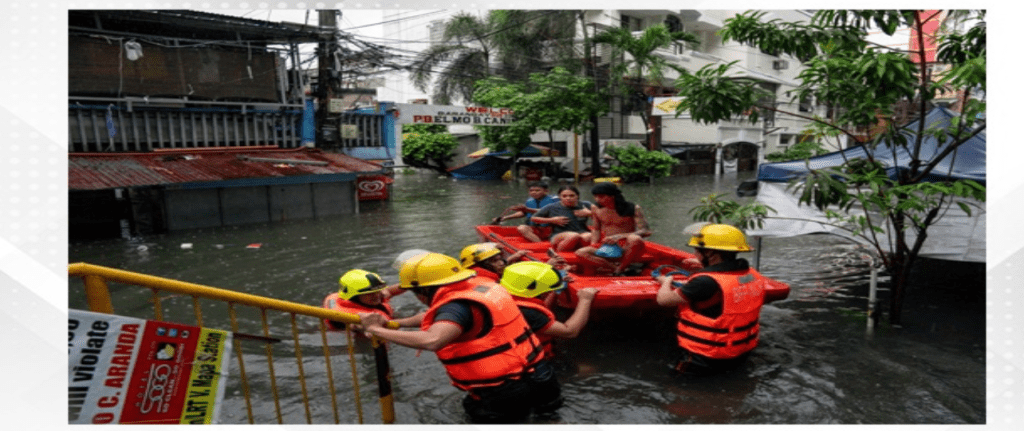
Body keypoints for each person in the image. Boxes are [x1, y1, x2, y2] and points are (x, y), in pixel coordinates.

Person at [358, 252, 558, 423]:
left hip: (503, 391)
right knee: (548, 418)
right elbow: (437, 318)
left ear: (425, 289)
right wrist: (398, 323)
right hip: (541, 375)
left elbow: (433, 339)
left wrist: (376, 329)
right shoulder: (482, 286)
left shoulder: (456, 306)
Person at [654, 223, 771, 377]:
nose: (695, 254)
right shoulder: (752, 275)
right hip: (740, 352)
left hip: (703, 357)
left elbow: (663, 300)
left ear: (709, 252)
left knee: (680, 393)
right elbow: (723, 282)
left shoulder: (704, 282)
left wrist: (666, 281)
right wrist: (704, 267)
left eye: (697, 250)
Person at [499, 261, 598, 359]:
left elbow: (539, 313)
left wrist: (554, 288)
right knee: (588, 369)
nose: (548, 291)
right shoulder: (527, 312)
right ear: (530, 288)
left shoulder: (505, 296)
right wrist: (585, 299)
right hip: (532, 362)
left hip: (516, 353)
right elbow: (570, 332)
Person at [575, 182, 651, 275]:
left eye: (602, 196)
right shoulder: (595, 208)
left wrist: (618, 236)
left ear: (613, 196)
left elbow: (646, 231)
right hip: (607, 245)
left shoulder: (633, 208)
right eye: (596, 196)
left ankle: (622, 267)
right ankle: (618, 269)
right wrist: (593, 244)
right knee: (580, 252)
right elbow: (596, 229)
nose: (598, 199)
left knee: (635, 238)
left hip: (627, 246)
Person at [324, 269, 394, 331]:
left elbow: (387, 292)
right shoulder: (349, 318)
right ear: (354, 297)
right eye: (369, 293)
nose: (377, 295)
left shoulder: (363, 300)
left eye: (378, 291)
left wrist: (403, 286)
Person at [530, 185, 593, 252]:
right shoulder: (552, 207)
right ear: (560, 197)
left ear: (577, 196)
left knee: (589, 236)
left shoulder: (586, 205)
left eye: (572, 196)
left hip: (582, 232)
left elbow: (603, 215)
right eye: (564, 196)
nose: (568, 198)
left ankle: (580, 253)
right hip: (558, 235)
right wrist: (552, 220)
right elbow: (533, 218)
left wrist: (590, 213)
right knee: (573, 236)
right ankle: (559, 254)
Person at [491, 181, 559, 242]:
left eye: (537, 190)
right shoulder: (530, 201)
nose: (534, 192)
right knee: (522, 228)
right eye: (531, 190)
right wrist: (505, 217)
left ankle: (542, 245)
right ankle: (539, 243)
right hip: (536, 227)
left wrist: (526, 209)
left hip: (551, 229)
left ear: (546, 191)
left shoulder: (554, 200)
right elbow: (524, 213)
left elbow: (547, 211)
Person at [458, 242, 528, 281]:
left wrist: (514, 256)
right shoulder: (487, 281)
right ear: (480, 265)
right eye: (495, 261)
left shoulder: (472, 272)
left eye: (500, 259)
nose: (501, 263)